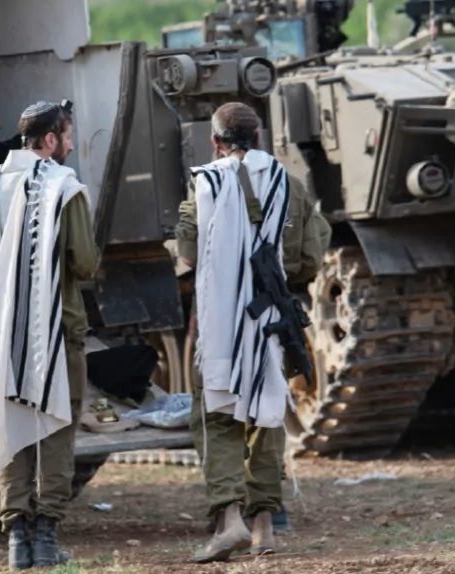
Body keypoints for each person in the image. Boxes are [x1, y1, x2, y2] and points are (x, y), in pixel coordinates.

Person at [174, 102, 329, 563]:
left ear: (215, 142)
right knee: (267, 415)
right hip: (270, 319)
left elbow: (187, 251)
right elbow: (309, 257)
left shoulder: (204, 182)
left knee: (217, 415)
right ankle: (264, 527)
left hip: (220, 321)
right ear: (259, 137)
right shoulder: (288, 184)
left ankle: (229, 521)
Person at [0, 100, 98, 570]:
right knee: (55, 426)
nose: (72, 145)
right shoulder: (64, 186)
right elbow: (85, 263)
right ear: (52, 139)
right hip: (58, 331)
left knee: (11, 425)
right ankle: (46, 537)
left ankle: (18, 538)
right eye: (68, 135)